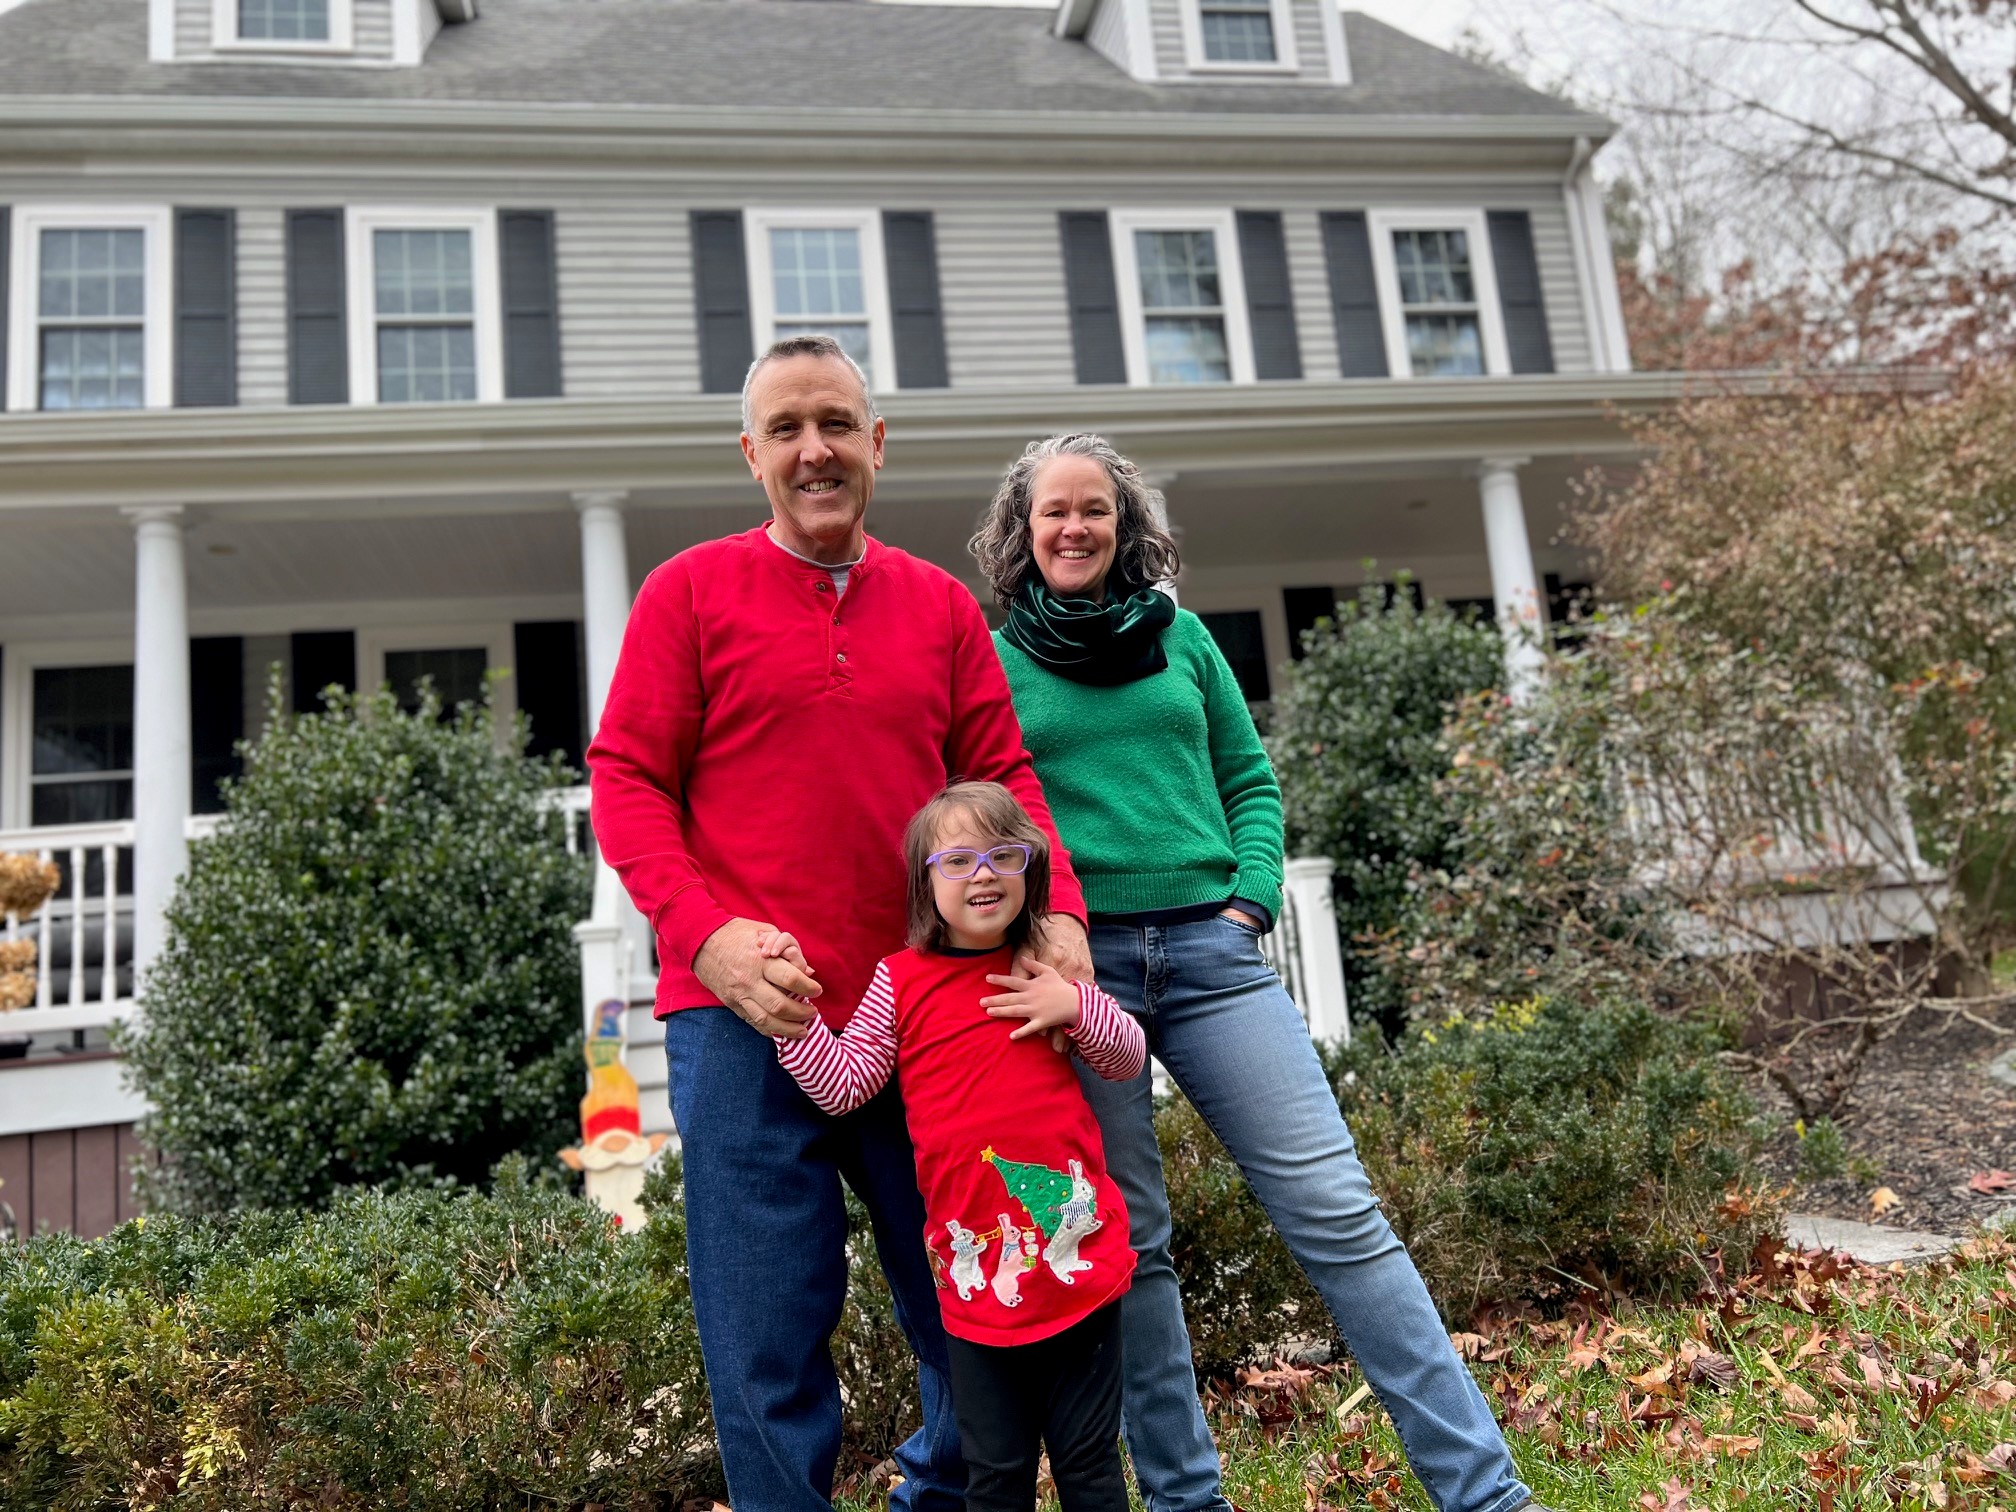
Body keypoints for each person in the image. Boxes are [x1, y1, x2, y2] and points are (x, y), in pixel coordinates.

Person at [969, 433, 1553, 1512]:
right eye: (1053, 511)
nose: (1074, 527)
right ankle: (1191, 1503)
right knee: (1131, 1249)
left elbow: (1250, 780)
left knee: (1339, 1214)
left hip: (1211, 955)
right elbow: (993, 820)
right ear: (1021, 531)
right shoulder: (997, 663)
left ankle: (1485, 1494)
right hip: (1081, 974)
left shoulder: (1184, 640)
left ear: (1124, 525)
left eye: (1094, 508)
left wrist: (1248, 901)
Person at [585, 336, 1093, 1512]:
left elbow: (1002, 770)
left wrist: (1055, 910)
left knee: (975, 1300)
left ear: (876, 442)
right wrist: (707, 935)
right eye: (787, 428)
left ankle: (938, 1496)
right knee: (765, 1337)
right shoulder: (687, 592)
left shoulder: (939, 607)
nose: (814, 449)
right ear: (752, 453)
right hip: (743, 1015)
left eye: (835, 423)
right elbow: (627, 780)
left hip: (929, 1010)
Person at [762, 780, 1147, 1512]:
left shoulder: (1042, 966)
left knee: (1089, 1466)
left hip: (1080, 1265)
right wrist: (794, 1024)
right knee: (996, 1475)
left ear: (1029, 870)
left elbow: (1126, 1058)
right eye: (959, 860)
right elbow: (845, 1086)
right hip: (976, 1280)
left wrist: (1076, 1005)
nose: (983, 874)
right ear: (924, 882)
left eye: (1003, 855)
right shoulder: (899, 983)